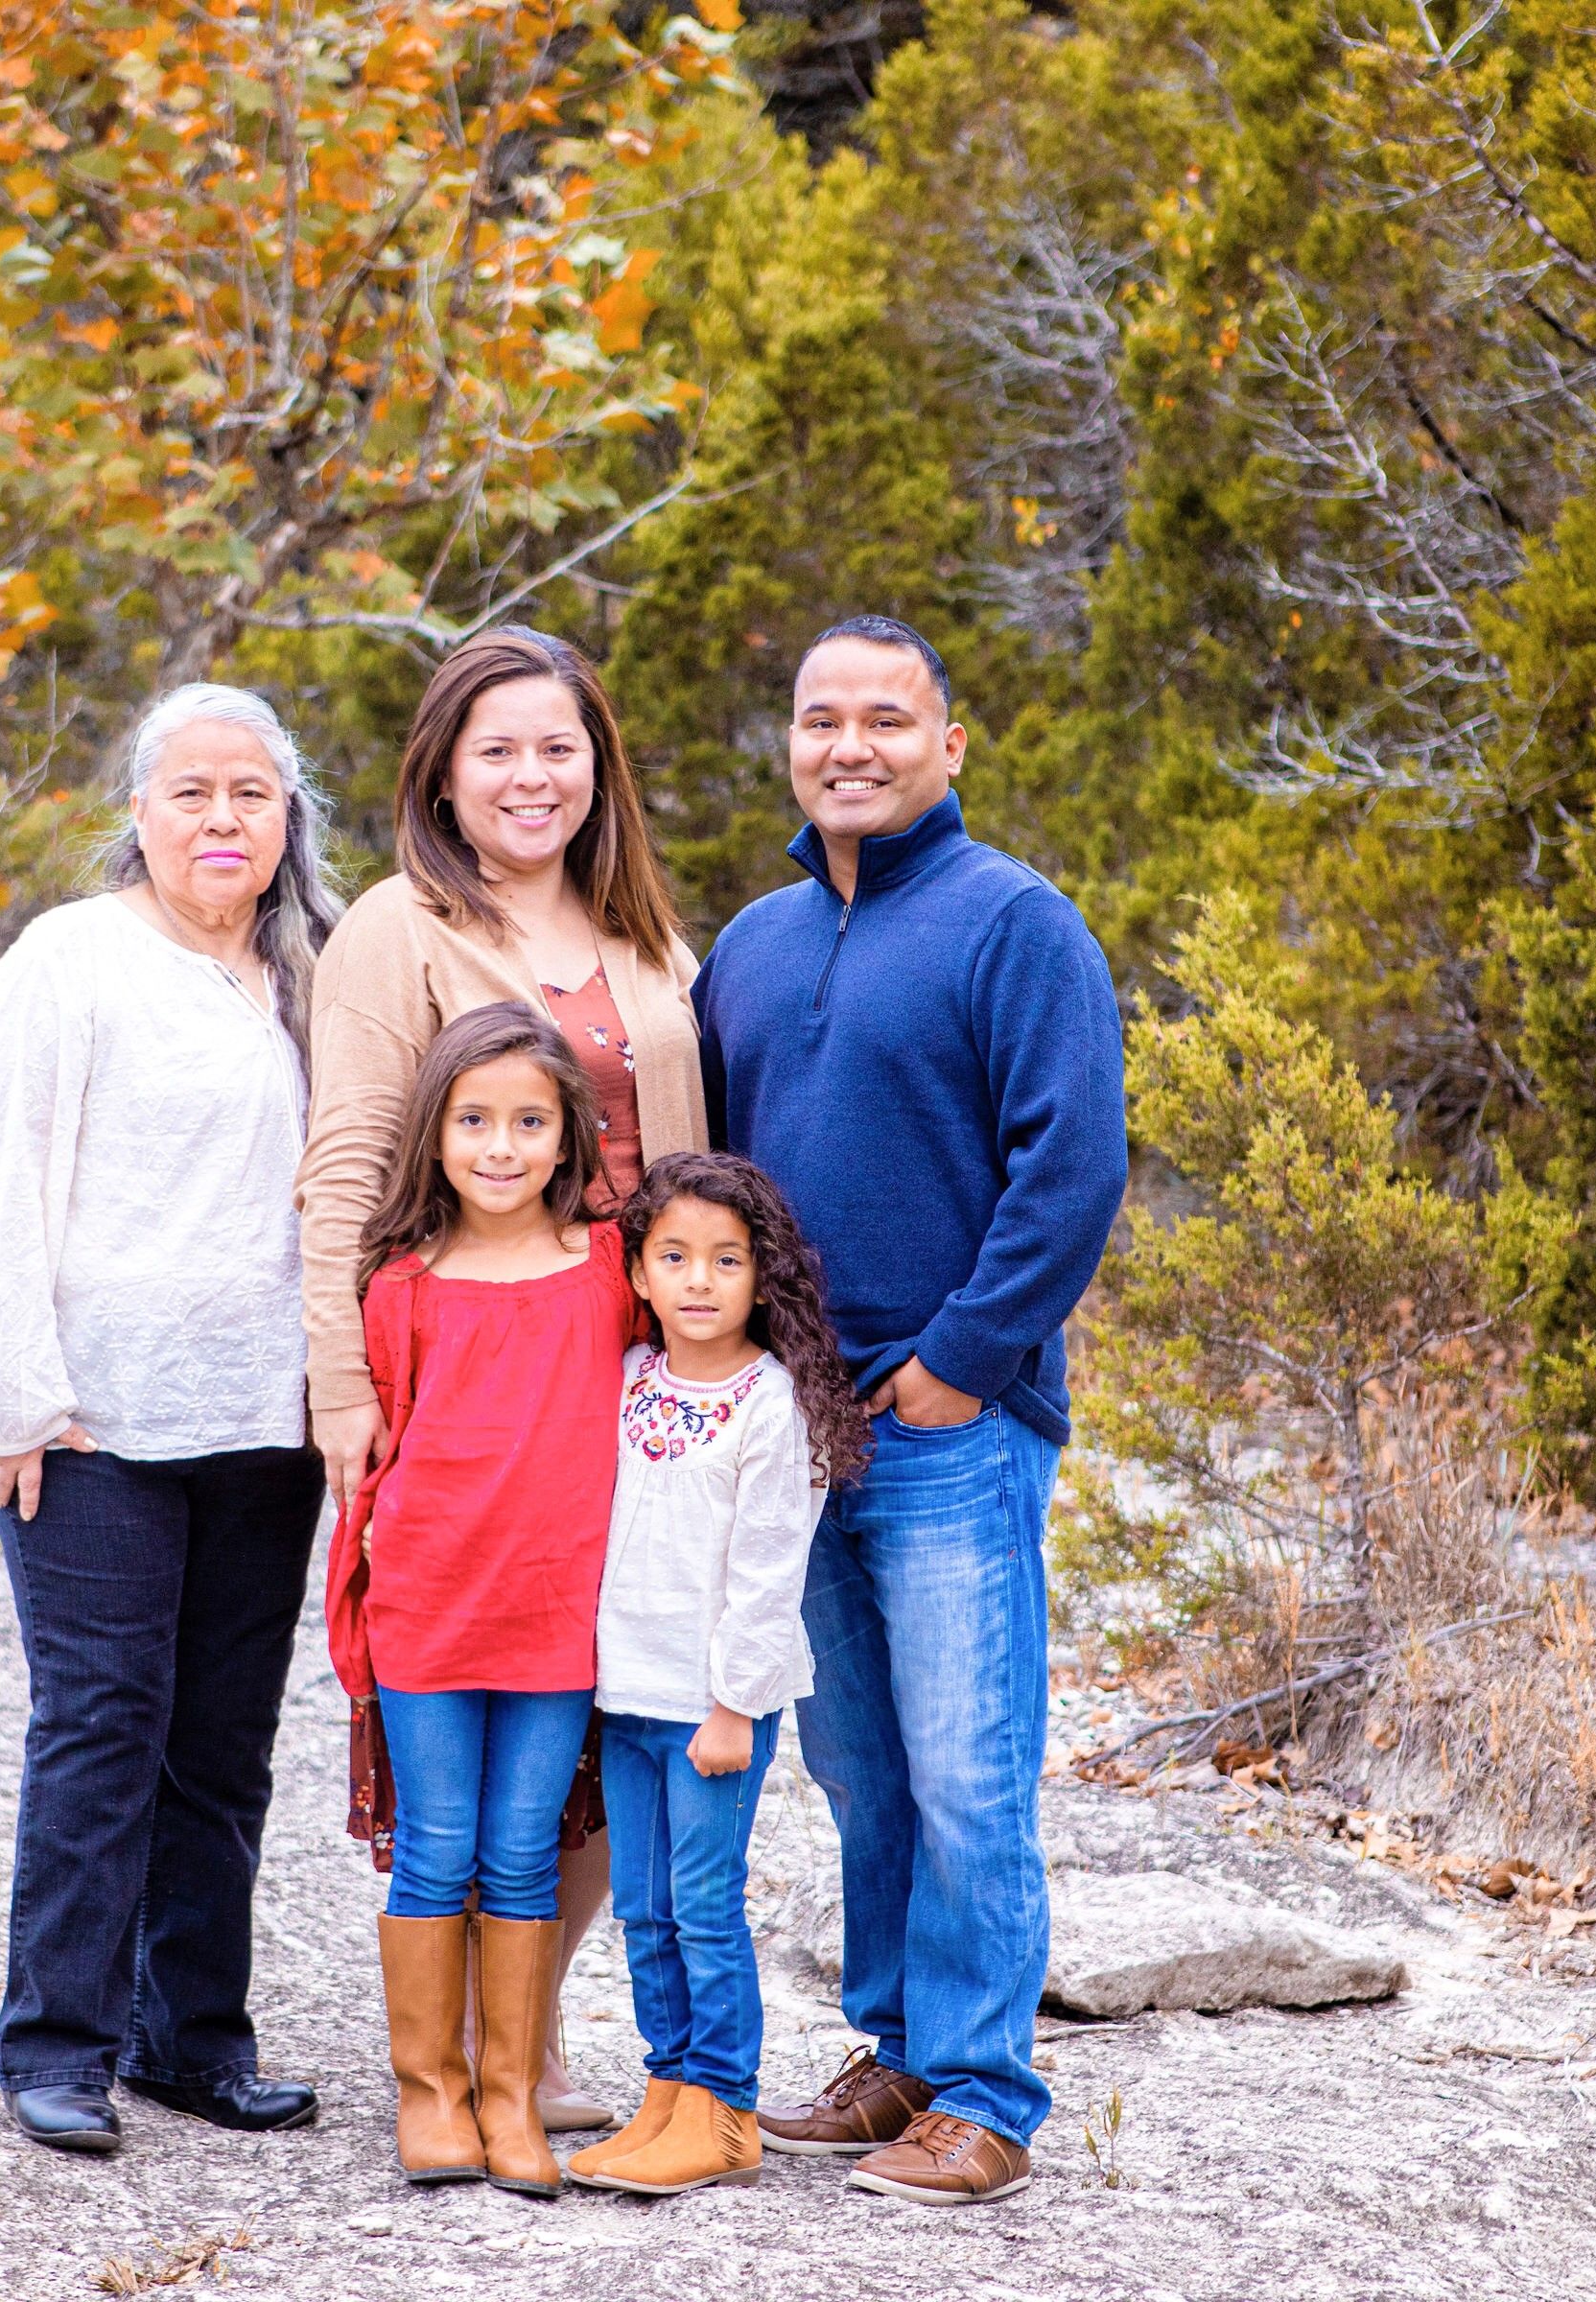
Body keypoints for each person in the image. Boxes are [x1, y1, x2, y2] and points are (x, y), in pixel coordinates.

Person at [694, 616, 1128, 2206]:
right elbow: (717, 1184)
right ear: (791, 744)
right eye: (823, 719)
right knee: (861, 1765)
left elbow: (1071, 1168)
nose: (851, 746)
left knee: (966, 1765)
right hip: (794, 1434)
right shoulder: (746, 945)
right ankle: (897, 2057)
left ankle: (990, 2094)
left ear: (950, 744)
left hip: (950, 1425)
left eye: (888, 718)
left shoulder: (1015, 926)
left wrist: (962, 1358)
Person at [0, 684, 342, 2157]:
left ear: (289, 822)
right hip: (96, 1423)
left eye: (252, 795)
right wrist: (11, 1394)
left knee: (222, 1743)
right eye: (193, 794)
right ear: (142, 816)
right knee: (103, 1726)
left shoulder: (312, 974)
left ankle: (192, 2042)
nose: (224, 820)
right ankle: (58, 2048)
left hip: (264, 1424)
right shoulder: (73, 961)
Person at [296, 624, 700, 2131]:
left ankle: (516, 2051)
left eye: (559, 747)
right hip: (466, 1374)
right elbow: (346, 1164)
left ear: (598, 768)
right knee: (470, 1703)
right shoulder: (393, 932)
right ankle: (448, 2068)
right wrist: (345, 1386)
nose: (532, 776)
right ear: (443, 779)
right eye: (498, 751)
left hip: (636, 1375)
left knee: (600, 1704)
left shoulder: (647, 933)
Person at [318, 1003, 638, 2197]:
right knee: (437, 1849)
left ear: (569, 1139)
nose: (501, 1147)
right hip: (430, 1602)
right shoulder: (401, 1284)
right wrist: (360, 1598)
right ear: (435, 1136)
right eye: (473, 1121)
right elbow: (387, 1450)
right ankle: (431, 2095)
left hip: (559, 1608)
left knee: (522, 1855)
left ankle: (513, 2095)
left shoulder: (612, 1270)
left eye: (528, 1123)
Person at [563, 1152, 870, 2198]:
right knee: (642, 1909)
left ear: (760, 1276)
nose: (699, 1280)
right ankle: (669, 2091)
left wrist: (734, 1705)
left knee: (703, 1905)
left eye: (726, 1259)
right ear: (639, 1273)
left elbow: (767, 1571)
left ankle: (726, 2110)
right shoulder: (628, 1381)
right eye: (675, 1257)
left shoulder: (768, 1407)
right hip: (628, 1694)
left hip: (712, 1707)